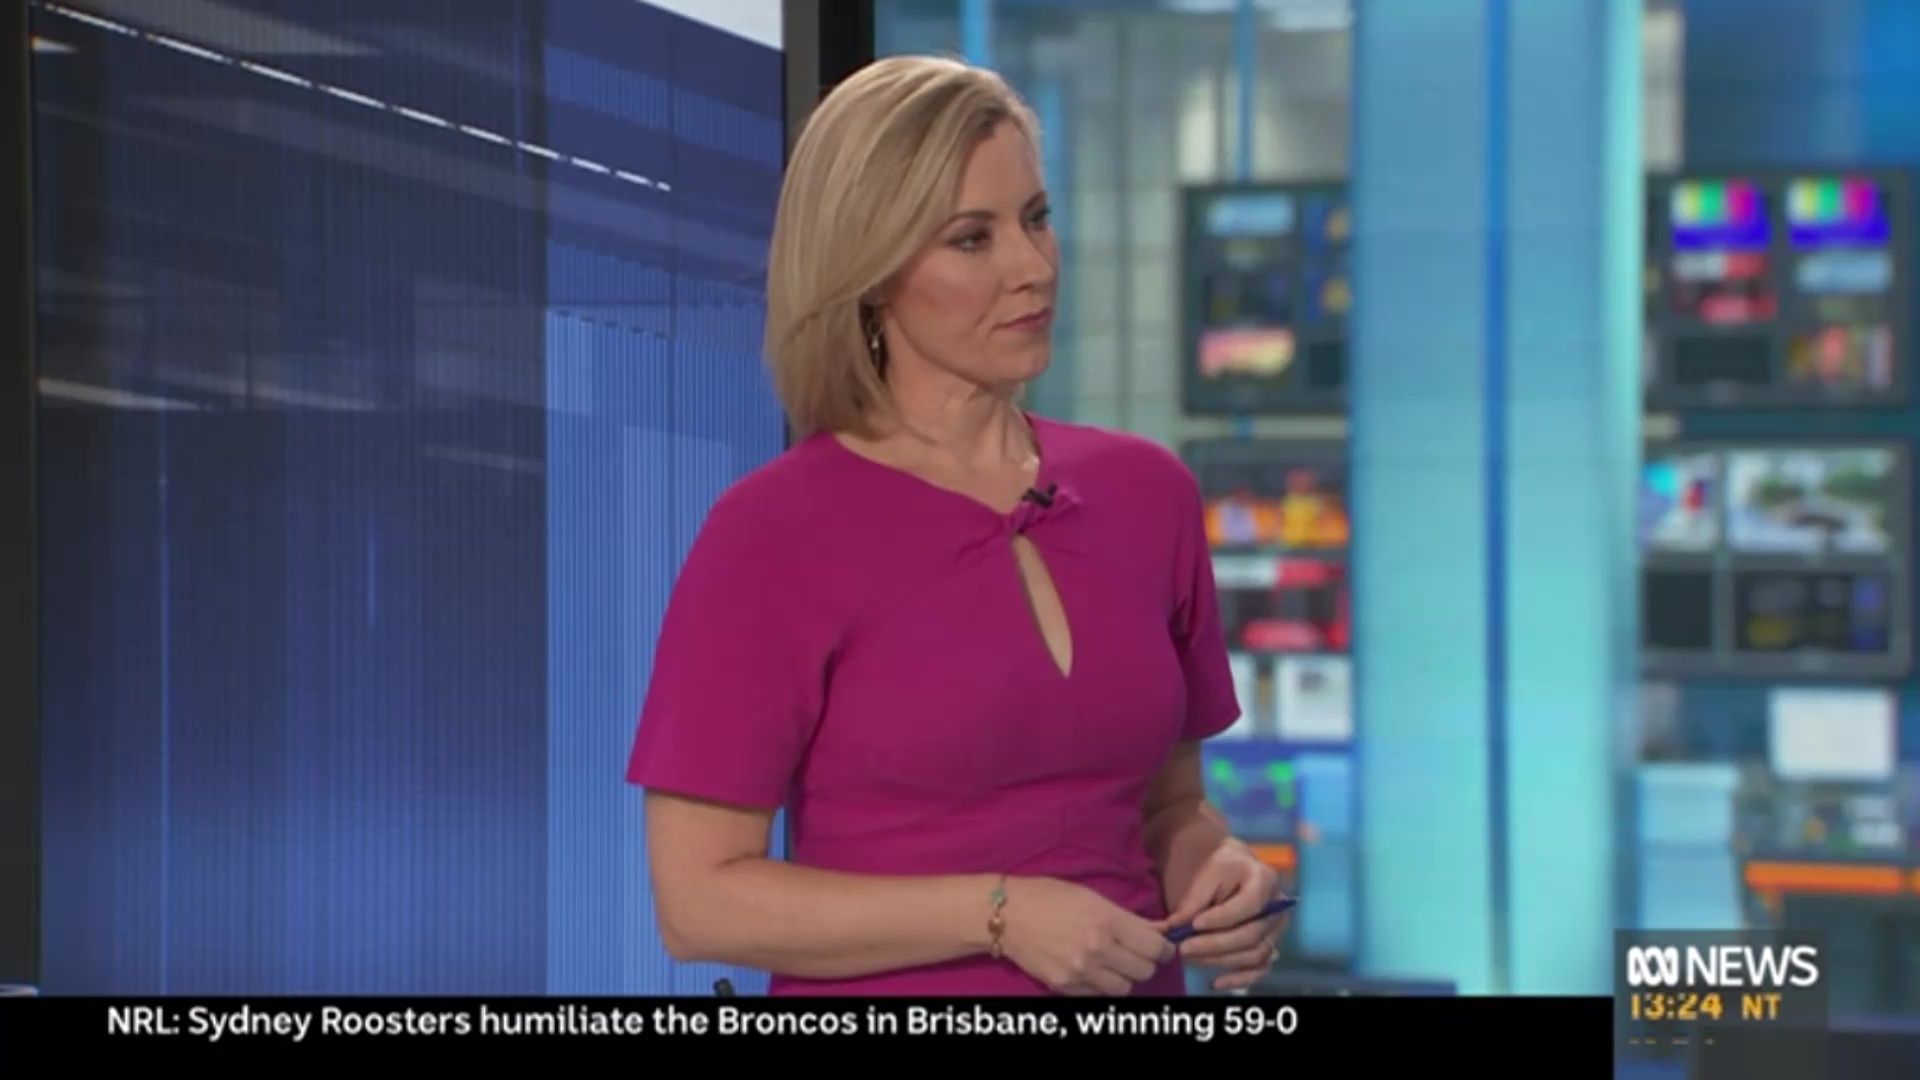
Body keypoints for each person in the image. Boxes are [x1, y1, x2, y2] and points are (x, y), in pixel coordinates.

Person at [626, 54, 1290, 997]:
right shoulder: (773, 532)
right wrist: (999, 914)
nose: (1033, 267)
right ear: (871, 272)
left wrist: (1217, 869)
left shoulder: (1150, 494)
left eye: (1036, 218)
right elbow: (700, 903)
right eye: (972, 239)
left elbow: (1168, 806)